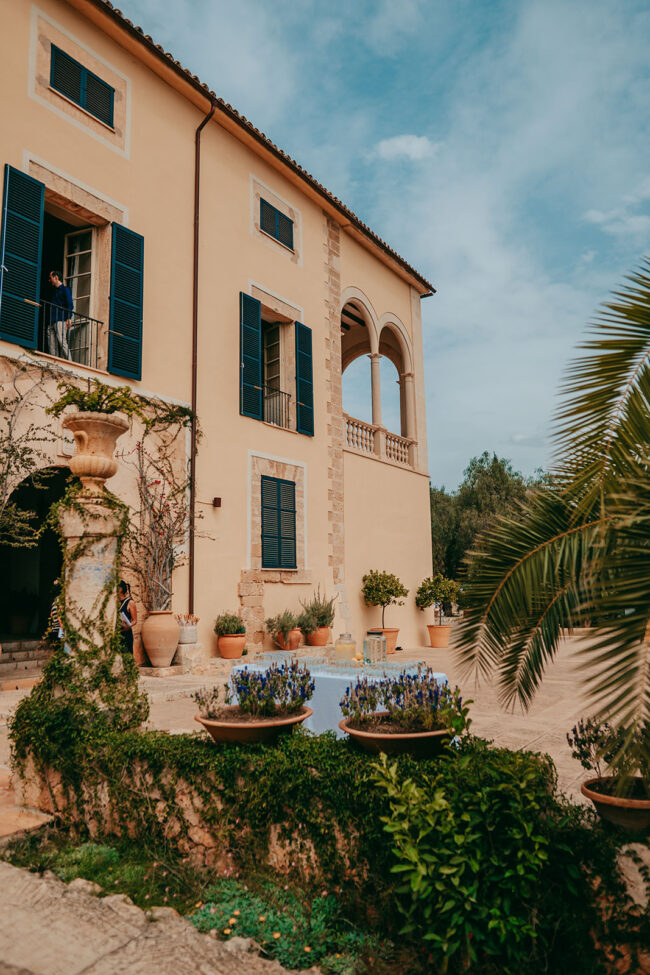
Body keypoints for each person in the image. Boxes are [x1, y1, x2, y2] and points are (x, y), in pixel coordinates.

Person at [47, 270, 73, 360]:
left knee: (62, 341)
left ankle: (70, 361)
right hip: (52, 320)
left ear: (56, 277)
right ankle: (54, 361)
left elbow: (70, 304)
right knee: (51, 343)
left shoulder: (65, 290)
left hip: (60, 319)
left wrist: (69, 318)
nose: (49, 281)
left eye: (50, 278)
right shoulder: (54, 292)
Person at [118, 580, 137, 654]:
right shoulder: (114, 601)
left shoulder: (130, 602)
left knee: (127, 655)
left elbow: (135, 620)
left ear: (121, 589)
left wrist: (128, 626)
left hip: (126, 634)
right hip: (117, 634)